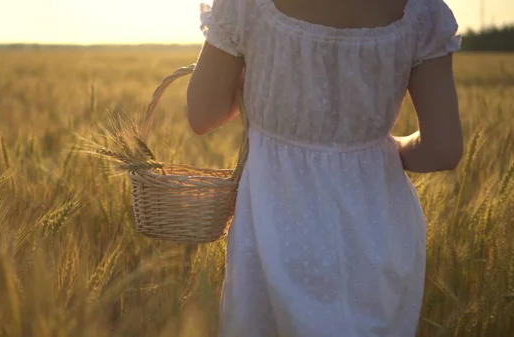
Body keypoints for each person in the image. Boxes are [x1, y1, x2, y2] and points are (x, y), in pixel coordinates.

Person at [186, 0, 463, 336]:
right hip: (378, 234)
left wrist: (250, 81)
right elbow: (443, 150)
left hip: (274, 221)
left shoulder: (245, 5)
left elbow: (203, 114)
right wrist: (384, 149)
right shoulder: (422, 13)